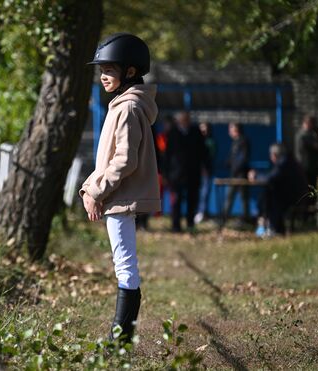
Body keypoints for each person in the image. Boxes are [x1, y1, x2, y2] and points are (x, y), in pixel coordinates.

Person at [79, 33, 160, 344]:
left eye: (109, 70)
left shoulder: (126, 108)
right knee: (124, 267)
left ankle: (120, 343)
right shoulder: (125, 104)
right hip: (118, 197)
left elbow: (124, 160)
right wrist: (91, 189)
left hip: (120, 198)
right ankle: (120, 340)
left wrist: (96, 191)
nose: (102, 77)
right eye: (101, 71)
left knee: (125, 268)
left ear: (129, 71)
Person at [249, 144, 309, 236]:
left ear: (274, 154)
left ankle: (270, 225)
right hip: (298, 195)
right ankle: (269, 224)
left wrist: (256, 176)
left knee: (269, 196)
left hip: (294, 198)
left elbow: (269, 178)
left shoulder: (283, 163)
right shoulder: (289, 161)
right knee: (268, 193)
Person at [164, 111, 208, 232]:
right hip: (176, 174)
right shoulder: (173, 133)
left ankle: (190, 223)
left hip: (193, 173)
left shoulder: (196, 132)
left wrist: (205, 167)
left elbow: (203, 152)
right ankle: (175, 225)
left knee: (192, 200)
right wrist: (166, 173)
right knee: (176, 200)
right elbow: (168, 155)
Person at [224, 122, 250, 223]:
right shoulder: (235, 141)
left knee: (243, 197)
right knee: (229, 196)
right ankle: (224, 218)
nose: (229, 131)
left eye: (231, 128)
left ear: (236, 129)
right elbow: (232, 158)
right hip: (234, 174)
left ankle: (245, 218)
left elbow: (243, 158)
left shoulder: (243, 141)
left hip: (240, 174)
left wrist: (236, 168)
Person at [295, 115, 318, 192]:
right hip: (307, 166)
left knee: (311, 187)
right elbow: (316, 146)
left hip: (309, 165)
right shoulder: (304, 135)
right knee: (309, 188)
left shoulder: (308, 134)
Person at [195, 121, 216, 224]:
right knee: (199, 193)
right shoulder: (197, 141)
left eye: (205, 129)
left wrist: (205, 168)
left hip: (206, 171)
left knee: (205, 192)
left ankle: (203, 212)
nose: (203, 131)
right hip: (197, 171)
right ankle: (200, 212)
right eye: (201, 129)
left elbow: (210, 156)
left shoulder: (210, 142)